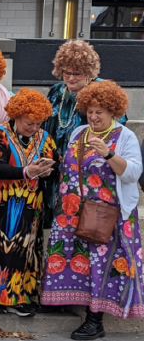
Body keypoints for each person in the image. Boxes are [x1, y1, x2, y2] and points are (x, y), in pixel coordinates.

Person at [42, 80, 144, 339]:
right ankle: (66, 300)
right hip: (72, 211)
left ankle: (94, 320)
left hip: (107, 215)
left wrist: (109, 154)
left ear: (113, 112)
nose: (94, 116)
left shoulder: (124, 136)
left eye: (100, 111)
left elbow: (133, 173)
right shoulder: (79, 133)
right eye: (90, 110)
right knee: (78, 261)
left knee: (101, 264)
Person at [0, 88, 58, 317]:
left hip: (31, 207)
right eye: (28, 123)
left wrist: (45, 172)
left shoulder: (45, 138)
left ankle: (17, 296)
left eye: (37, 123)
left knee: (25, 250)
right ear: (16, 116)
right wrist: (26, 171)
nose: (33, 128)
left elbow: (56, 166)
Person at [42, 40, 125, 223]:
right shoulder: (56, 91)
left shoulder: (102, 91)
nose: (70, 78)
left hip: (90, 170)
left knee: (86, 221)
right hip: (57, 167)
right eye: (66, 72)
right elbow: (45, 127)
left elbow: (117, 130)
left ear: (89, 72)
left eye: (77, 73)